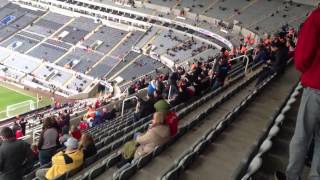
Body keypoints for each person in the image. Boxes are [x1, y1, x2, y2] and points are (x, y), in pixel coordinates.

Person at [275, 8, 320, 180]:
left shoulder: (317, 17)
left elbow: (301, 58)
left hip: (317, 87)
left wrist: (309, 72)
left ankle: (292, 176)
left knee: (302, 136)